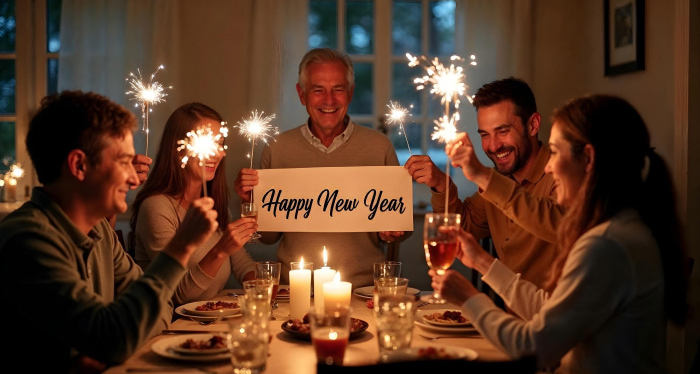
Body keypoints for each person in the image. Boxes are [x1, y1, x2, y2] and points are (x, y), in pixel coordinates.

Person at [430, 95, 688, 372]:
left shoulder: (607, 245)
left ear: (588, 157)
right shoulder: (622, 229)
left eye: (554, 151)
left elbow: (532, 348)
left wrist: (469, 298)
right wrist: (481, 261)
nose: (550, 166)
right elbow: (548, 309)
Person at [0, 91, 218, 373]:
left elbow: (160, 307)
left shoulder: (100, 230)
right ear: (79, 165)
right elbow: (113, 338)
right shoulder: (28, 241)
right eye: (124, 161)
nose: (133, 176)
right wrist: (181, 246)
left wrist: (109, 341)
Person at [235, 48, 408, 287]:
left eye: (338, 89)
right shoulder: (277, 149)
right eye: (318, 90)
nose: (329, 100)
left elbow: (398, 226)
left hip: (364, 290)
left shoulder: (380, 147)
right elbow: (268, 238)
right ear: (302, 94)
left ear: (350, 93)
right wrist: (250, 201)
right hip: (295, 291)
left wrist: (393, 231)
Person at [405, 77, 564, 289]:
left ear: (533, 125)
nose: (493, 146)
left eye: (503, 131)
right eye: (485, 135)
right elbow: (462, 228)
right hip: (509, 318)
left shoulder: (562, 172)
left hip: (559, 318)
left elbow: (558, 224)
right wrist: (441, 184)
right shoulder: (498, 181)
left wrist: (482, 175)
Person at [130, 103, 257, 306]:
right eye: (207, 143)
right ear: (179, 149)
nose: (218, 154)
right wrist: (220, 250)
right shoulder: (156, 207)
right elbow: (179, 295)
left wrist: (267, 290)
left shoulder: (214, 205)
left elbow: (242, 264)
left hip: (211, 322)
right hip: (170, 329)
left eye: (220, 143)